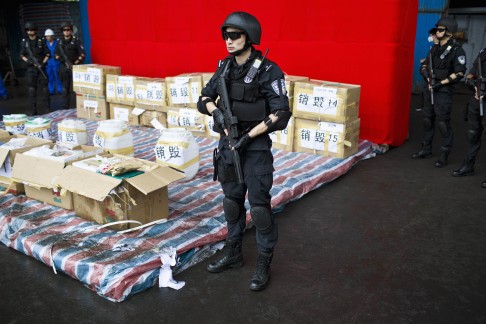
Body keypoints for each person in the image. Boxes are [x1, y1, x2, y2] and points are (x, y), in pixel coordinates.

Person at [197, 12, 291, 291]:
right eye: (225, 35)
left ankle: (264, 261)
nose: (228, 40)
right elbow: (204, 98)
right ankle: (234, 252)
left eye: (234, 35)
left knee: (259, 207)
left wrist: (249, 135)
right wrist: (218, 115)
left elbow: (281, 112)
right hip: (228, 146)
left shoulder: (267, 70)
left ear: (249, 37)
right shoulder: (224, 68)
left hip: (256, 148)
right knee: (231, 202)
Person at [411, 16, 467, 167]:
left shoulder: (457, 50)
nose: (437, 32)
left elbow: (460, 72)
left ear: (449, 32)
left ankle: (444, 154)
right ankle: (426, 149)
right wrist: (424, 72)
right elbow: (425, 65)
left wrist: (441, 83)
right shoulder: (434, 49)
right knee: (427, 120)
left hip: (443, 92)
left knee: (443, 123)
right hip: (430, 89)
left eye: (440, 30)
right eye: (437, 29)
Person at [452, 47, 486, 186]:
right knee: (472, 135)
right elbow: (471, 73)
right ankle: (468, 166)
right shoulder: (483, 52)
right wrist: (471, 83)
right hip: (477, 100)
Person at [19, 22, 50, 115]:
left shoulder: (41, 40)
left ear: (35, 30)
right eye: (28, 30)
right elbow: (21, 55)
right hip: (31, 69)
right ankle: (34, 110)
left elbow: (48, 54)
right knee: (32, 89)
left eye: (32, 30)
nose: (30, 32)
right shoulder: (25, 42)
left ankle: (47, 108)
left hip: (41, 68)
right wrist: (28, 61)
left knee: (45, 88)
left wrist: (43, 63)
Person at [55, 21, 85, 109]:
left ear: (71, 31)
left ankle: (80, 106)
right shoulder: (59, 42)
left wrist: (74, 63)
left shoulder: (76, 40)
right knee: (65, 88)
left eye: (68, 30)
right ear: (62, 31)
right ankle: (66, 107)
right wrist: (63, 61)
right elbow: (56, 55)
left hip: (75, 67)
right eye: (64, 30)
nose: (66, 31)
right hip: (64, 68)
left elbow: (82, 54)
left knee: (78, 89)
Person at [416, 28, 439, 112]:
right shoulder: (433, 46)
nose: (429, 37)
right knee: (424, 91)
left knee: (427, 92)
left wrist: (426, 61)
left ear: (435, 35)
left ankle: (428, 108)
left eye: (430, 35)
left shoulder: (438, 47)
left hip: (431, 74)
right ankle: (424, 107)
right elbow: (430, 58)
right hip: (426, 73)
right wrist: (425, 60)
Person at [44, 29, 62, 95]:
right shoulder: (45, 43)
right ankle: (51, 90)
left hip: (56, 63)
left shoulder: (57, 42)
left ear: (52, 36)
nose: (47, 37)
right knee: (50, 78)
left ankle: (60, 90)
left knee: (58, 77)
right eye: (46, 36)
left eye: (48, 36)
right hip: (48, 64)